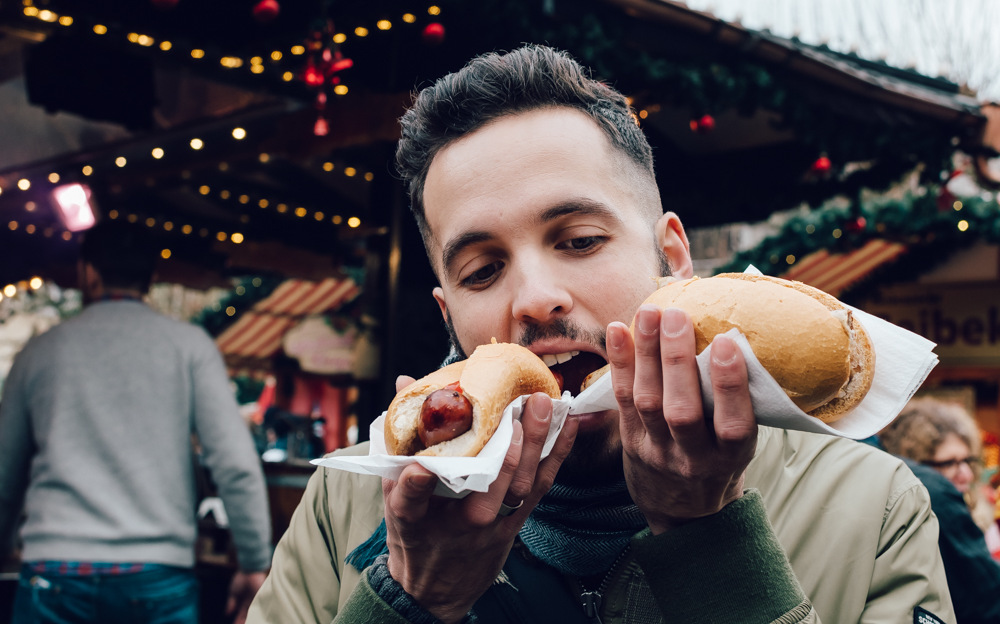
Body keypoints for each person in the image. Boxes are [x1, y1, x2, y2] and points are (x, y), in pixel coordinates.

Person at [247, 46, 953, 624]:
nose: (535, 298)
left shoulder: (875, 505)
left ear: (672, 258)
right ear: (448, 313)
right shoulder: (346, 503)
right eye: (482, 270)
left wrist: (711, 543)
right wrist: (409, 602)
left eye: (580, 240)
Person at [0, 221, 272, 624]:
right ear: (152, 277)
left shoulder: (39, 352)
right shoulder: (189, 346)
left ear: (88, 272)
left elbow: (5, 476)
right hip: (158, 575)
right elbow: (235, 464)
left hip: (56, 571)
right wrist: (254, 563)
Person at [876, 402, 1000, 624]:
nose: (966, 474)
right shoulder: (926, 506)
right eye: (950, 463)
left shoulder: (977, 509)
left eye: (967, 461)